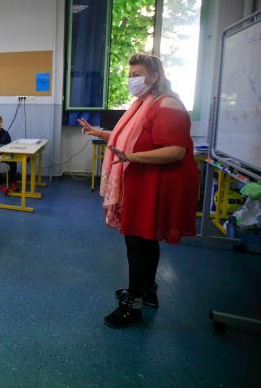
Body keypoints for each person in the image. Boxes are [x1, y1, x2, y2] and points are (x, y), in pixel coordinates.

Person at [79, 52, 199, 328]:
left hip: (153, 183)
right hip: (143, 180)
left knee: (137, 240)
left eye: (137, 75)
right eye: (130, 75)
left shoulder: (167, 104)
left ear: (154, 76)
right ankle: (148, 289)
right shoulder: (145, 103)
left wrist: (131, 158)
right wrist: (99, 133)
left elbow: (175, 151)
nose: (132, 80)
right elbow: (129, 137)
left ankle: (132, 303)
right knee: (146, 238)